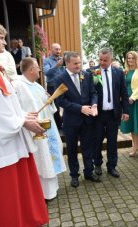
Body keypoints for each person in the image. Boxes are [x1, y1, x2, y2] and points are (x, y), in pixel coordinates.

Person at [0, 20, 48, 227]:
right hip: (0, 140)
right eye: (0, 37)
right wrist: (22, 122)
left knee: (19, 184)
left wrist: (24, 116)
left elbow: (9, 103)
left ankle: (25, 222)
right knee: (7, 191)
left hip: (12, 133)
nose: (5, 41)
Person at [12, 57, 66, 200]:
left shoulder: (37, 85)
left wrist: (48, 99)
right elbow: (15, 109)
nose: (40, 70)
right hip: (32, 130)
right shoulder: (18, 85)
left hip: (47, 128)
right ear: (30, 70)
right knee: (40, 159)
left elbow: (49, 107)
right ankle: (41, 193)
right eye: (37, 68)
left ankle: (51, 191)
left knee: (49, 157)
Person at [55, 51, 99, 187]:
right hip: (71, 121)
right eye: (75, 63)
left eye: (79, 63)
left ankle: (89, 172)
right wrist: (80, 108)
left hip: (87, 120)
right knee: (72, 149)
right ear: (67, 63)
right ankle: (74, 175)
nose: (78, 65)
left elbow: (93, 92)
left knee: (88, 147)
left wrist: (94, 104)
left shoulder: (85, 75)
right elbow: (61, 101)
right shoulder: (60, 78)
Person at [93, 47, 129, 178]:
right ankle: (97, 164)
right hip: (98, 115)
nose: (102, 62)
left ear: (111, 59)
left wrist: (126, 111)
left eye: (105, 60)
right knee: (97, 140)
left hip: (113, 114)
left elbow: (124, 93)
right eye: (100, 60)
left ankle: (112, 166)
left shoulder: (118, 72)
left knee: (112, 142)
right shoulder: (92, 72)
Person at [43, 43, 65, 129]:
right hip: (52, 86)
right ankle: (58, 127)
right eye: (56, 49)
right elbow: (46, 72)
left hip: (63, 86)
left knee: (66, 105)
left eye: (59, 49)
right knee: (54, 107)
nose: (58, 51)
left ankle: (64, 124)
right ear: (51, 50)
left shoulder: (63, 60)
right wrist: (56, 65)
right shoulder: (47, 61)